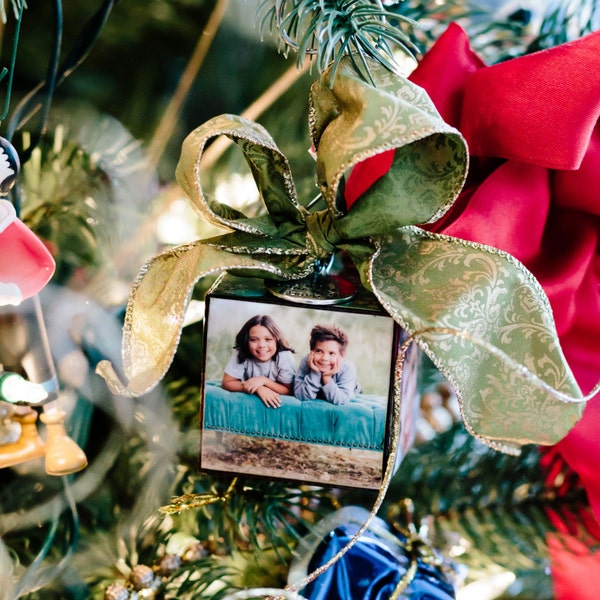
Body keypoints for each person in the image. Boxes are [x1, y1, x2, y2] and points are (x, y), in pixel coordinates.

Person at [222, 315, 295, 409]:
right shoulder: (242, 352)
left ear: (276, 340)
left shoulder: (284, 356)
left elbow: (288, 390)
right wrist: (258, 388)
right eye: (253, 340)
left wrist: (263, 380)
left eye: (268, 339)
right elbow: (226, 383)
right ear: (246, 341)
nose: (261, 345)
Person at [294, 324, 361, 405]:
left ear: (341, 356)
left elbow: (341, 400)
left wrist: (327, 378)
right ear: (311, 352)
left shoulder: (347, 367)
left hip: (351, 390)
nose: (324, 358)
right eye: (319, 351)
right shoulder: (306, 361)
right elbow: (301, 396)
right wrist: (315, 373)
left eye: (332, 353)